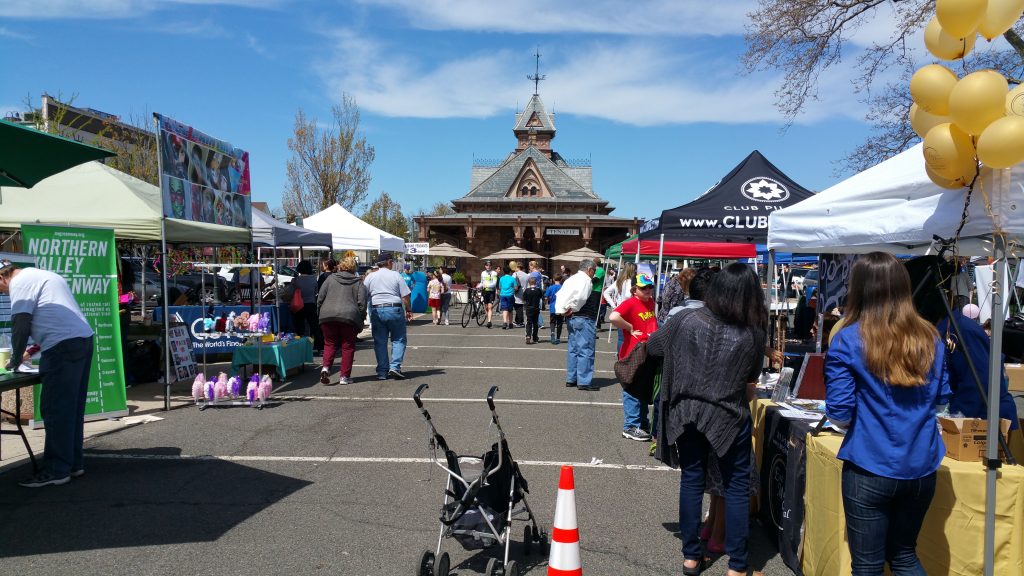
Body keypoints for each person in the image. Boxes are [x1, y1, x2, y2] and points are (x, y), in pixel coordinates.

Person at [825, 252, 950, 576]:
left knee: (867, 565)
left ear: (859, 289)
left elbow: (839, 412)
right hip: (921, 467)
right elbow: (941, 402)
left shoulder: (848, 339)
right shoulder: (931, 338)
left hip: (870, 465)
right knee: (905, 556)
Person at [649, 263, 768, 576]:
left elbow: (652, 346)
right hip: (728, 414)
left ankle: (691, 557)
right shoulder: (753, 332)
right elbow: (751, 378)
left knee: (691, 479)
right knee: (737, 487)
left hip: (686, 412)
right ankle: (738, 567)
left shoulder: (686, 319)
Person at [0, 260, 95, 488]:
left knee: (55, 409)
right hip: (82, 340)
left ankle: (56, 469)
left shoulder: (19, 284)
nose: (3, 293)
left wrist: (13, 361)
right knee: (71, 408)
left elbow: (20, 324)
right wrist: (30, 350)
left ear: (2, 277)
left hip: (62, 348)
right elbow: (56, 320)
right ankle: (73, 463)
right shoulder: (42, 275)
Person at [937, 309, 1020, 430]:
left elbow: (979, 379)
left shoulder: (960, 330)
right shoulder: (951, 328)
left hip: (984, 418)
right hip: (970, 413)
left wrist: (957, 417)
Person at [609, 273, 659, 442]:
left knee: (643, 387)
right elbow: (613, 317)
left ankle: (642, 423)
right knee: (631, 387)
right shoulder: (630, 302)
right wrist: (629, 327)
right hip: (633, 352)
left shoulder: (650, 302)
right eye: (643, 288)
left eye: (650, 287)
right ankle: (630, 426)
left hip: (647, 350)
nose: (648, 290)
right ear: (634, 289)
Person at [317, 256, 367, 385]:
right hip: (349, 317)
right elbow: (362, 303)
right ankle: (344, 377)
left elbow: (320, 298)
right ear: (354, 267)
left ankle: (326, 367)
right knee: (348, 347)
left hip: (327, 315)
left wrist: (319, 314)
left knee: (329, 343)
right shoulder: (358, 282)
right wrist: (361, 319)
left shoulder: (330, 278)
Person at [363, 252, 413, 380]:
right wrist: (408, 309)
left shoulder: (370, 277)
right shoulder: (396, 275)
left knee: (380, 341)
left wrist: (363, 311)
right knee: (399, 338)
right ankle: (395, 367)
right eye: (392, 261)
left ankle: (382, 371)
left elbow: (364, 295)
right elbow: (405, 295)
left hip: (377, 308)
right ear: (389, 262)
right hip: (394, 308)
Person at [555, 259, 600, 391]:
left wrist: (563, 310)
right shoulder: (586, 280)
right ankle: (584, 381)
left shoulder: (571, 279)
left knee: (574, 349)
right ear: (589, 270)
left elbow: (560, 295)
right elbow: (581, 298)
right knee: (585, 349)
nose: (594, 274)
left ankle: (572, 378)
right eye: (594, 271)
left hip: (572, 318)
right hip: (583, 317)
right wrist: (573, 308)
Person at [603, 262, 636, 350]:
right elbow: (627, 295)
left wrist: (614, 306)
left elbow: (606, 293)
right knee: (628, 336)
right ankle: (625, 356)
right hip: (628, 312)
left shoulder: (619, 281)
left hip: (620, 311)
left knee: (621, 337)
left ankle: (620, 355)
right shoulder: (629, 282)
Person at [291, 260, 322, 352]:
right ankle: (318, 345)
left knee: (299, 327)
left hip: (299, 305)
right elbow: (316, 292)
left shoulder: (295, 280)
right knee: (314, 326)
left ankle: (299, 346)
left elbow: (291, 293)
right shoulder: (313, 279)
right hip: (311, 304)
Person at [523, 276, 543, 344]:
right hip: (536, 308)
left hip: (529, 308)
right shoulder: (538, 290)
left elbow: (524, 299)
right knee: (535, 323)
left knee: (529, 323)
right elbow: (541, 297)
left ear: (529, 283)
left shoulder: (527, 290)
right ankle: (535, 338)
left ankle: (528, 335)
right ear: (536, 282)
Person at [498, 264, 518, 330]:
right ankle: (510, 323)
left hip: (503, 295)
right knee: (510, 309)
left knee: (504, 309)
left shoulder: (501, 278)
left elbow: (500, 287)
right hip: (510, 295)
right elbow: (516, 287)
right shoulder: (512, 278)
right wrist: (513, 289)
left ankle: (504, 322)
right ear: (510, 272)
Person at [545, 275, 564, 344]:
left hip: (553, 307)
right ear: (561, 280)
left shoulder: (550, 287)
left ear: (553, 279)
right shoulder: (563, 287)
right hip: (561, 307)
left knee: (552, 322)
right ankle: (558, 338)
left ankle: (552, 332)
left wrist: (547, 301)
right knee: (559, 323)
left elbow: (546, 297)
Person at [480, 260, 498, 328]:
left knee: (490, 307)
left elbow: (494, 283)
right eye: (487, 265)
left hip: (491, 292)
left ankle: (489, 321)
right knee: (486, 307)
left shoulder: (494, 273)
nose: (488, 266)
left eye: (489, 265)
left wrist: (487, 286)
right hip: (484, 291)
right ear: (485, 266)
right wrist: (478, 286)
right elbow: (482, 282)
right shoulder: (483, 273)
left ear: (491, 266)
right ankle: (488, 318)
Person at [528, 261, 545, 329]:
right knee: (536, 308)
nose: (529, 267)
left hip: (533, 291)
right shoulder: (538, 273)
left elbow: (531, 283)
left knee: (533, 308)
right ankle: (538, 323)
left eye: (529, 266)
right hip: (538, 291)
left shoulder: (533, 274)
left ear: (532, 266)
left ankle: (540, 323)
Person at [512, 261, 529, 328]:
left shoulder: (515, 274)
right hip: (524, 292)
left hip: (517, 292)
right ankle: (517, 320)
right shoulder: (526, 275)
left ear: (518, 267)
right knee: (519, 306)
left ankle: (520, 322)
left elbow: (512, 283)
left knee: (518, 308)